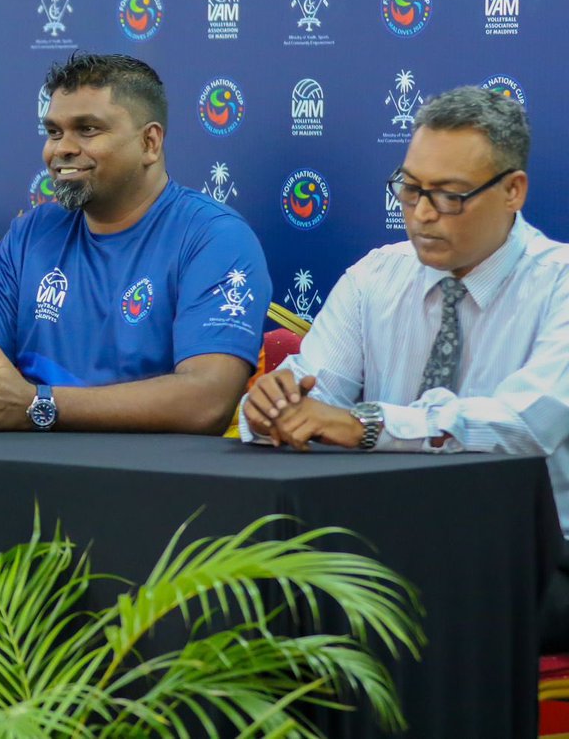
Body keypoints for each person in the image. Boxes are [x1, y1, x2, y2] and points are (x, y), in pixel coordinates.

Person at [238, 86, 569, 650]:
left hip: (531, 557)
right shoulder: (376, 277)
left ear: (513, 191)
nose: (420, 214)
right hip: (385, 545)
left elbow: (526, 425)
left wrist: (366, 424)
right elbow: (313, 391)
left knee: (408, 619)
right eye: (410, 189)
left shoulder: (559, 283)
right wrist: (274, 407)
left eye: (449, 196)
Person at [0, 52, 271, 432]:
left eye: (88, 130)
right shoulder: (31, 234)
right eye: (54, 132)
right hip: (22, 469)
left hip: (150, 479)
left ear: (150, 142)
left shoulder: (213, 237)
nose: (62, 149)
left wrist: (37, 405)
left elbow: (207, 401)